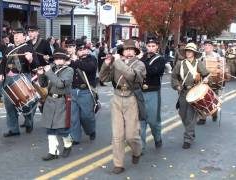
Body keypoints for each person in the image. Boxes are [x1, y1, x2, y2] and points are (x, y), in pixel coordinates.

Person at [99, 39, 146, 174]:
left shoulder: (140, 64)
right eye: (126, 49)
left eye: (132, 49)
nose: (129, 51)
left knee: (131, 135)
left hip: (131, 98)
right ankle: (118, 163)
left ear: (135, 52)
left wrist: (117, 62)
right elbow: (103, 78)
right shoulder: (116, 63)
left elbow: (131, 76)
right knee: (117, 135)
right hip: (117, 97)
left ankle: (137, 151)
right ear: (122, 52)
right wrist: (106, 64)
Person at [0, 28, 39, 137]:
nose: (16, 36)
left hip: (22, 77)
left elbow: (36, 65)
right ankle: (13, 129)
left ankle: (29, 121)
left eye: (19, 34)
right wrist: (0, 73)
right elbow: (3, 63)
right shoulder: (9, 48)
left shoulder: (28, 48)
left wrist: (30, 59)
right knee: (9, 105)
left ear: (24, 37)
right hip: (8, 79)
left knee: (25, 104)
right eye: (15, 34)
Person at [38, 48, 74, 161]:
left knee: (62, 129)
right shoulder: (52, 68)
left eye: (61, 58)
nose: (58, 61)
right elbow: (43, 84)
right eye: (56, 58)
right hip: (50, 100)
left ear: (64, 60)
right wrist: (41, 74)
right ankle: (52, 152)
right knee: (50, 129)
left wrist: (48, 72)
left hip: (62, 101)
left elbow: (60, 84)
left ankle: (68, 144)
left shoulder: (69, 70)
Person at [171, 42, 209, 149]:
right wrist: (177, 86)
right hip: (183, 92)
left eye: (190, 51)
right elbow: (174, 77)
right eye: (187, 51)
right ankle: (191, 132)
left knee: (191, 116)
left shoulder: (198, 64)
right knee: (183, 114)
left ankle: (187, 138)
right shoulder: (180, 64)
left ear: (194, 53)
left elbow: (207, 74)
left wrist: (206, 79)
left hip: (195, 91)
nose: (188, 52)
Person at [68, 39, 97, 145]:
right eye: (80, 50)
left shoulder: (92, 59)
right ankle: (75, 138)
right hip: (73, 90)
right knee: (73, 117)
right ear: (77, 51)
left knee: (86, 116)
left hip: (85, 91)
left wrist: (76, 61)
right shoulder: (71, 60)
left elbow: (90, 68)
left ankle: (90, 130)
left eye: (85, 49)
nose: (83, 51)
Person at [139, 36, 165, 151]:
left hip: (153, 92)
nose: (150, 48)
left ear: (157, 47)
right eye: (149, 46)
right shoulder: (142, 58)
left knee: (153, 121)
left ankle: (157, 137)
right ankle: (141, 147)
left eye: (153, 46)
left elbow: (154, 71)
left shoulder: (160, 59)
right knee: (141, 121)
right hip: (140, 92)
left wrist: (141, 61)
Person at [197, 40, 221, 125]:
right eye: (205, 45)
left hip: (214, 80)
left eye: (209, 45)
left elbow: (221, 68)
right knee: (201, 99)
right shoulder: (200, 56)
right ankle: (202, 118)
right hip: (202, 80)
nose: (207, 47)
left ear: (212, 47)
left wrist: (219, 66)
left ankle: (214, 113)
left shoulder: (217, 56)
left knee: (212, 99)